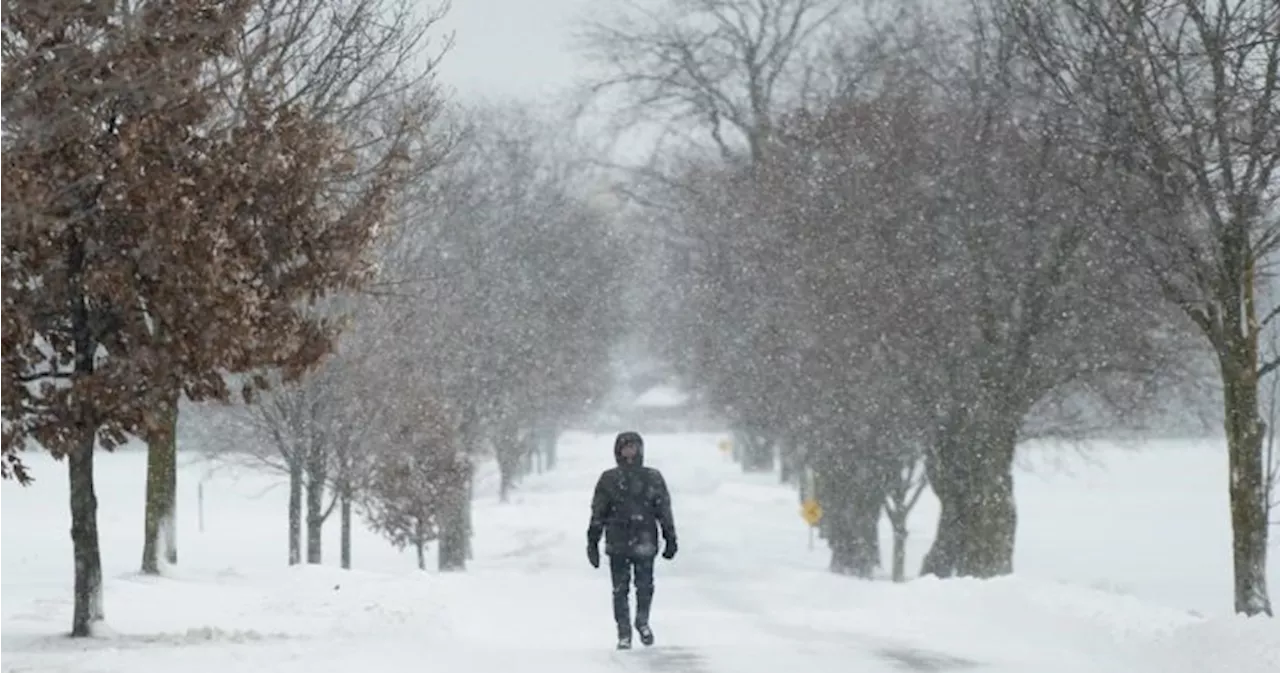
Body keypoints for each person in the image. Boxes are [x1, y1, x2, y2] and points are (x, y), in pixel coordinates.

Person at [586, 431, 677, 649]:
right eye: (625, 447)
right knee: (620, 589)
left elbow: (663, 509)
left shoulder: (652, 477)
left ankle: (642, 621)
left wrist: (670, 536)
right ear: (618, 450)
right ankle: (623, 632)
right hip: (618, 541)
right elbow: (598, 512)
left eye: (633, 447)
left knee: (645, 586)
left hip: (645, 539)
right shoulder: (609, 479)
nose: (629, 452)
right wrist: (593, 541)